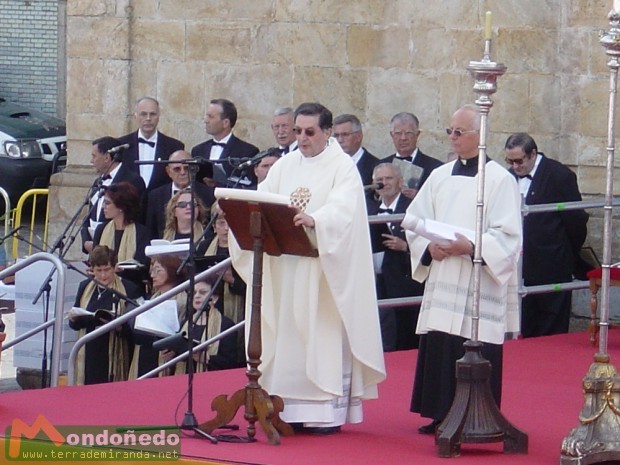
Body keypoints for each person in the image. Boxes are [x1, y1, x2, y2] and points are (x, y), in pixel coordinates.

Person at [229, 102, 386, 435]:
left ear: (327, 132)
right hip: (286, 269)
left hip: (321, 274)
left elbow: (345, 210)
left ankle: (322, 414)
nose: (302, 138)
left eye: (309, 132)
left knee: (318, 334)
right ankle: (285, 407)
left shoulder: (342, 167)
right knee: (287, 337)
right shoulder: (285, 165)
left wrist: (318, 221)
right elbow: (263, 200)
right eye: (297, 131)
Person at [403, 104, 522, 435]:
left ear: (480, 135)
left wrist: (470, 247)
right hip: (444, 273)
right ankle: (440, 412)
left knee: (472, 343)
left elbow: (509, 237)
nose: (452, 138)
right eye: (450, 131)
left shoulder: (499, 180)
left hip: (477, 277)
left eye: (459, 132)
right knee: (442, 342)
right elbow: (415, 220)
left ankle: (476, 415)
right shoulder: (440, 175)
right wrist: (428, 247)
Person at [504, 132, 589, 337]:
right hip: (519, 266)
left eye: (519, 161)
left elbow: (576, 222)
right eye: (510, 161)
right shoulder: (508, 177)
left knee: (551, 326)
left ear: (533, 154)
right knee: (523, 325)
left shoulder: (560, 176)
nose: (515, 167)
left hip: (552, 264)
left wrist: (564, 255)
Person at [367, 163, 423, 351]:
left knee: (405, 332)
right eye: (379, 180)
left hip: (404, 280)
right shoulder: (369, 209)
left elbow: (427, 240)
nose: (384, 183)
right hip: (375, 279)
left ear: (400, 181)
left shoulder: (414, 207)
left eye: (389, 178)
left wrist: (405, 246)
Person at [68, 246, 142, 385]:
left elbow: (136, 328)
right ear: (92, 270)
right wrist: (77, 318)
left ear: (115, 267)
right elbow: (74, 325)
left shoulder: (130, 289)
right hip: (89, 352)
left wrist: (119, 326)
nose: (103, 276)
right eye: (98, 270)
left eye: (107, 270)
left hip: (115, 352)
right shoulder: (85, 287)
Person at [81, 136, 146, 254]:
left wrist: (98, 240)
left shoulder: (132, 180)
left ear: (106, 157)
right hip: (96, 248)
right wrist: (86, 241)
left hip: (117, 245)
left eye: (94, 156)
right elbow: (90, 213)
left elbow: (135, 216)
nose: (91, 161)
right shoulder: (98, 181)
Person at [129, 253, 188, 378]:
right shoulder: (153, 298)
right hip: (147, 353)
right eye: (152, 270)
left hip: (167, 357)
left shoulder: (183, 300)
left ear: (171, 271)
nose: (152, 275)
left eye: (158, 270)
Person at [166, 278, 238, 374]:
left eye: (202, 292)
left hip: (212, 380)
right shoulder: (186, 323)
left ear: (215, 298)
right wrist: (172, 355)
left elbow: (230, 362)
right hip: (184, 378)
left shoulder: (226, 325)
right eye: (194, 292)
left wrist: (204, 358)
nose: (197, 296)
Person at [118, 96, 185, 192]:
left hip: (161, 203)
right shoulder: (121, 145)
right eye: (143, 114)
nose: (148, 118)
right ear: (135, 116)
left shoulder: (174, 146)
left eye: (153, 114)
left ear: (158, 117)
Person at [92, 182, 151, 289]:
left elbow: (141, 265)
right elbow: (94, 259)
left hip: (131, 287)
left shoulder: (142, 232)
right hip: (103, 285)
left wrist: (118, 270)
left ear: (121, 207)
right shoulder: (101, 229)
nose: (103, 207)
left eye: (107, 203)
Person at [145, 150, 215, 239]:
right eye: (177, 169)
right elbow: (151, 231)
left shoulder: (208, 194)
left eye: (186, 168)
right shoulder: (155, 196)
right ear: (168, 171)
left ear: (194, 168)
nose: (182, 172)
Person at [191, 98, 259, 188]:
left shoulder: (248, 151)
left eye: (210, 117)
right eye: (206, 116)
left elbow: (249, 186)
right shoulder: (198, 151)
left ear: (225, 123)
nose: (205, 120)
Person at [382, 112, 442, 198]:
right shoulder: (381, 165)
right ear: (392, 135)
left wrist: (420, 197)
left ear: (417, 135)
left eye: (408, 133)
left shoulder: (435, 168)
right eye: (398, 133)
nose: (403, 138)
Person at [333, 113, 379, 187]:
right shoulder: (329, 164)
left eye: (345, 134)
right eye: (336, 135)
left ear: (358, 136)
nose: (340, 140)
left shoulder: (375, 167)